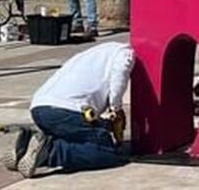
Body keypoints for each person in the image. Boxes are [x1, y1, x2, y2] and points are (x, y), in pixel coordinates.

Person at [7, 42, 134, 178]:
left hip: (40, 108)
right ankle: (51, 152)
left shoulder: (93, 54)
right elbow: (119, 77)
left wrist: (106, 123)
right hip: (65, 110)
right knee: (106, 150)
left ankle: (26, 147)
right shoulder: (125, 53)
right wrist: (116, 108)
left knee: (80, 134)